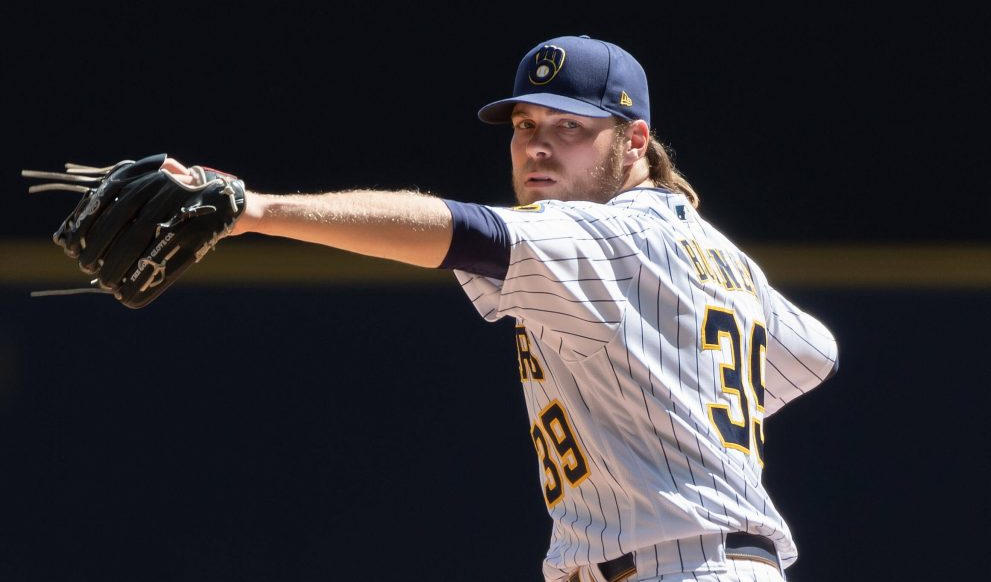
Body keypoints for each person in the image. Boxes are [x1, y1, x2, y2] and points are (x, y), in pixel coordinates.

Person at [166, 35, 838, 582]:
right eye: (524, 125)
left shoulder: (611, 236)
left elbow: (464, 231)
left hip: (681, 568)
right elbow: (811, 351)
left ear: (635, 142)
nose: (537, 145)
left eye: (569, 126)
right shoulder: (720, 258)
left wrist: (258, 211)